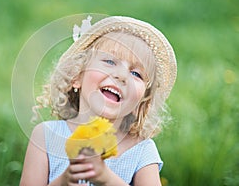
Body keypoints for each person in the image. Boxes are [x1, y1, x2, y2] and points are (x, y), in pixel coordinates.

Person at [20, 15, 177, 186]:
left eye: (136, 74)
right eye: (110, 61)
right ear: (77, 76)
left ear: (141, 103)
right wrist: (65, 180)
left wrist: (107, 179)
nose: (121, 75)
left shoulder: (141, 150)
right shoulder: (46, 136)